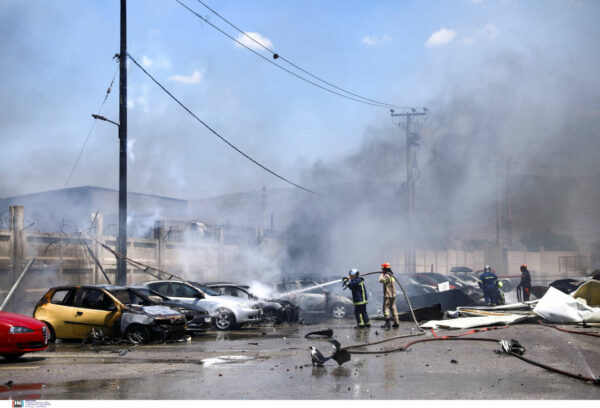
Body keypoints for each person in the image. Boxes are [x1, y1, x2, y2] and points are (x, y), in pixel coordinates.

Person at [378, 263, 400, 329]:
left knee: (386, 308)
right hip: (393, 295)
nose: (382, 270)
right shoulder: (392, 275)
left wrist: (381, 274)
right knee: (393, 308)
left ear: (385, 269)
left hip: (388, 295)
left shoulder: (386, 275)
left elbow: (380, 280)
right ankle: (396, 322)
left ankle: (387, 323)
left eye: (383, 269)